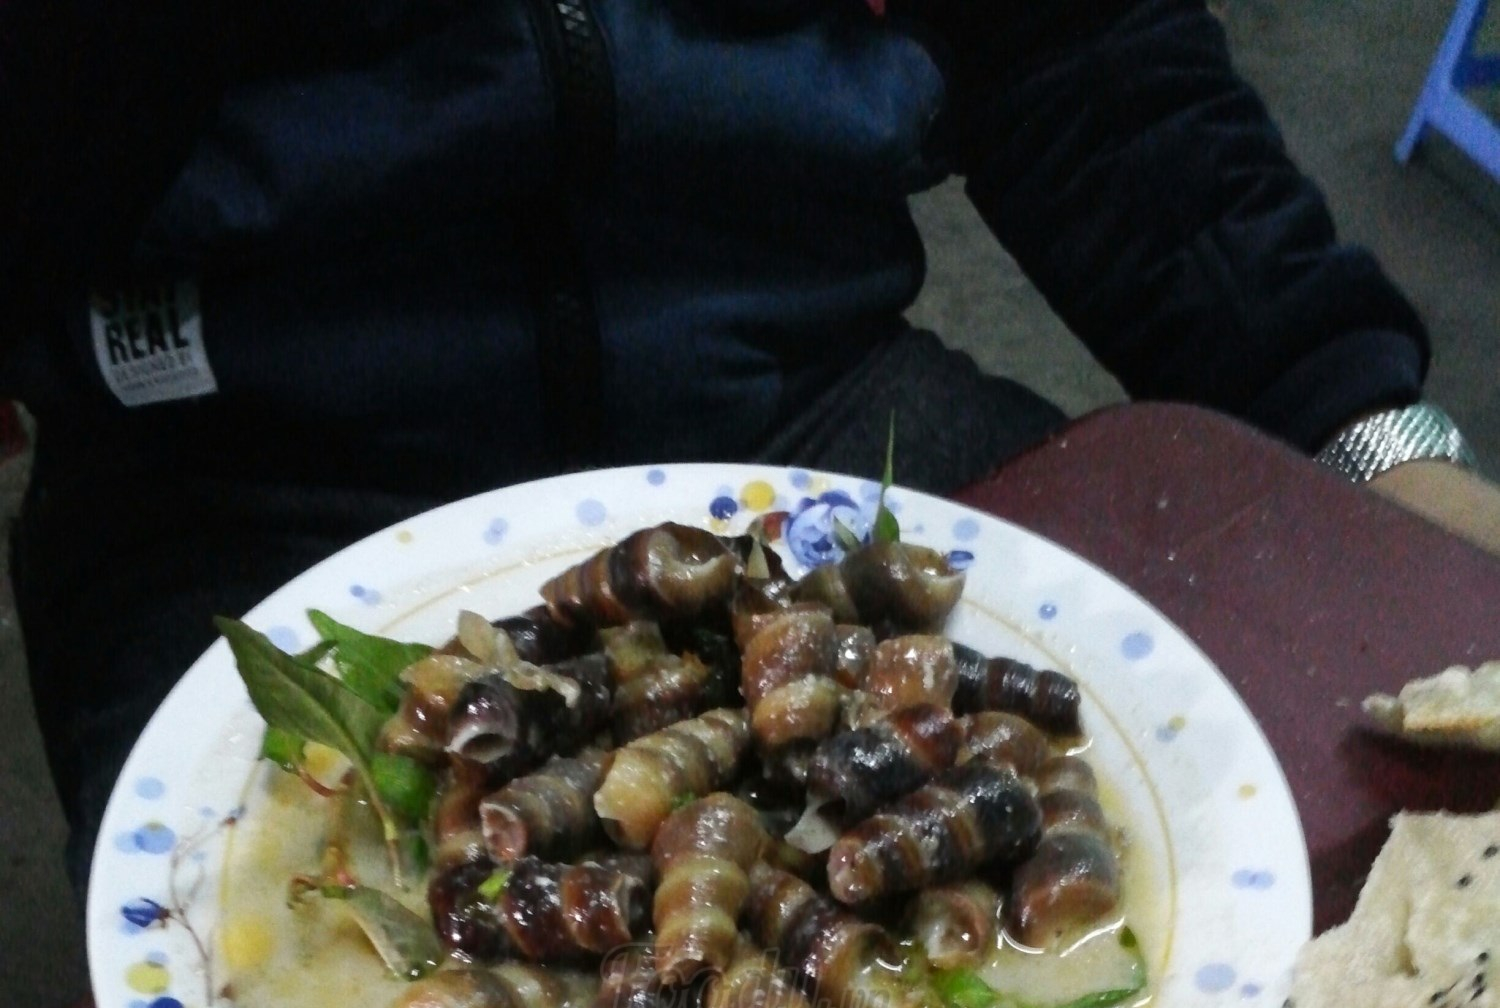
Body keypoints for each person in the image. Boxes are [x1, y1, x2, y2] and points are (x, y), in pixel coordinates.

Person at [2, 0, 1497, 890]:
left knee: (1281, 833)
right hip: (245, 487)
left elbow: (1083, 59)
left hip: (804, 402)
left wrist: (1370, 438)